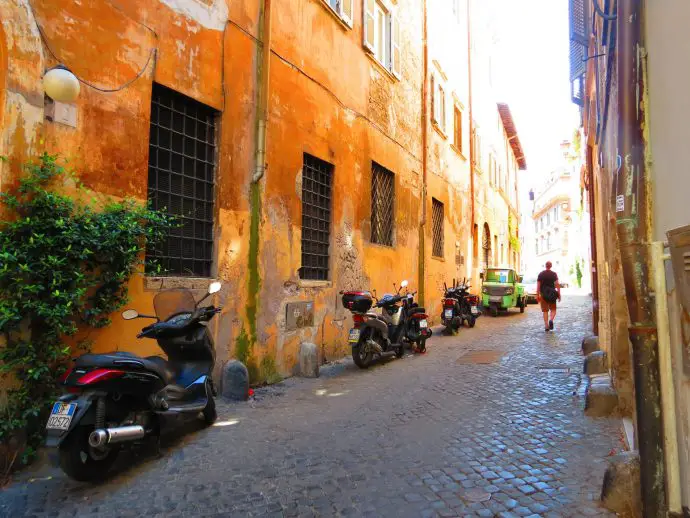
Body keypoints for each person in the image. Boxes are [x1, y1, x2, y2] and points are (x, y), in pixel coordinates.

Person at [537, 261, 561, 332]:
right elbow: (557, 284)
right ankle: (551, 320)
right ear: (551, 266)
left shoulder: (541, 274)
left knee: (545, 311)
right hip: (552, 294)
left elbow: (538, 285)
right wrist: (559, 294)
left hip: (543, 294)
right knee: (553, 309)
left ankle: (546, 326)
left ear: (545, 266)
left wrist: (537, 294)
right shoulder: (554, 274)